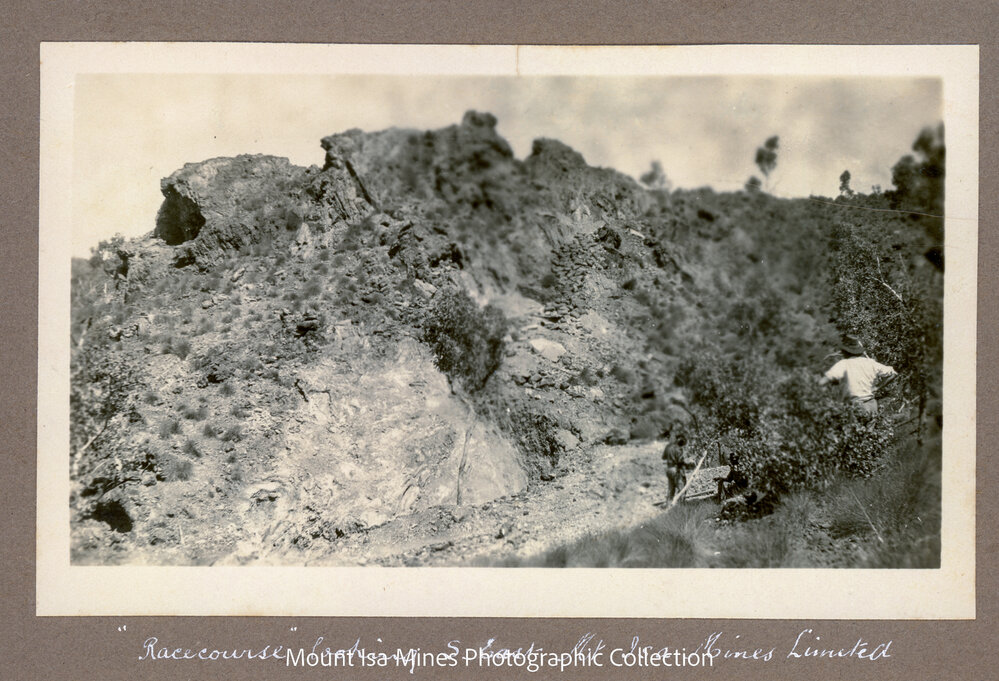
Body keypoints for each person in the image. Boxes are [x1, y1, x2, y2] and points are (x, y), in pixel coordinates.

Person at [820, 336, 897, 414]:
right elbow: (893, 373)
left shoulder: (844, 364)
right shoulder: (870, 363)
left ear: (846, 352)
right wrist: (877, 387)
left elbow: (824, 381)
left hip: (856, 406)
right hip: (871, 405)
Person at [662, 429, 695, 502]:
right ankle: (681, 506)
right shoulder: (679, 449)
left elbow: (663, 457)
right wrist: (689, 465)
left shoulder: (668, 447)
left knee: (671, 489)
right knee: (681, 489)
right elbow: (680, 462)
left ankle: (669, 505)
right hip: (676, 470)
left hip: (669, 469)